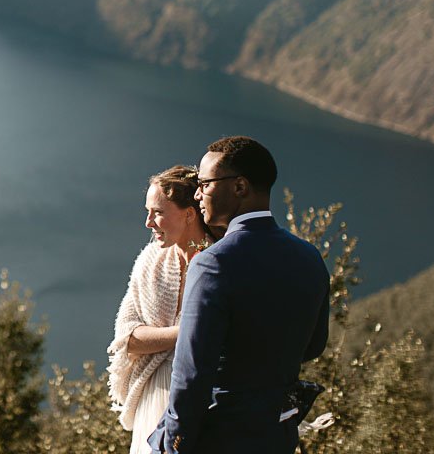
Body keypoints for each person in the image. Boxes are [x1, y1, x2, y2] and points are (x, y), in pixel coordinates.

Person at [147, 136, 330, 454]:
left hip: (219, 437)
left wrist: (173, 443)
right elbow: (313, 345)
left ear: (240, 187)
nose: (198, 194)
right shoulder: (309, 256)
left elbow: (192, 372)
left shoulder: (213, 263)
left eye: (205, 183)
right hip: (277, 435)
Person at [108, 165, 217, 454]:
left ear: (189, 214)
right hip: (153, 395)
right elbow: (126, 338)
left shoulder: (218, 263)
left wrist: (159, 338)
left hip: (204, 401)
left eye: (158, 212)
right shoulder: (150, 261)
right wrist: (185, 332)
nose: (148, 222)